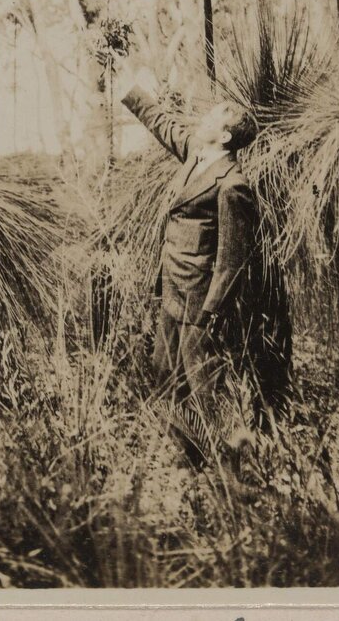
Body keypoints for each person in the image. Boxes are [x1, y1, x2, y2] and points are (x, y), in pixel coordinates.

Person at [115, 61, 291, 467]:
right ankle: (188, 462)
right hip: (173, 292)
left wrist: (212, 312)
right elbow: (163, 124)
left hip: (200, 305)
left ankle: (231, 474)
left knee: (205, 389)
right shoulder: (197, 156)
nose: (203, 118)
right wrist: (129, 88)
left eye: (213, 117)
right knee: (165, 377)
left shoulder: (234, 186)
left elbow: (232, 260)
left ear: (225, 136)